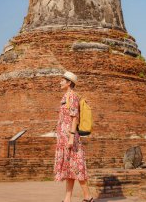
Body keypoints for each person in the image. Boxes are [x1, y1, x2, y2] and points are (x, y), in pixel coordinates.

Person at [54, 71, 94, 202]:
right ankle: (67, 198)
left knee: (77, 166)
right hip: (63, 135)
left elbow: (75, 117)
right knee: (69, 167)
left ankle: (88, 197)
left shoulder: (72, 96)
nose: (60, 82)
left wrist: (71, 136)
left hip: (69, 135)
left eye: (62, 80)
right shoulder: (66, 96)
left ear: (69, 82)